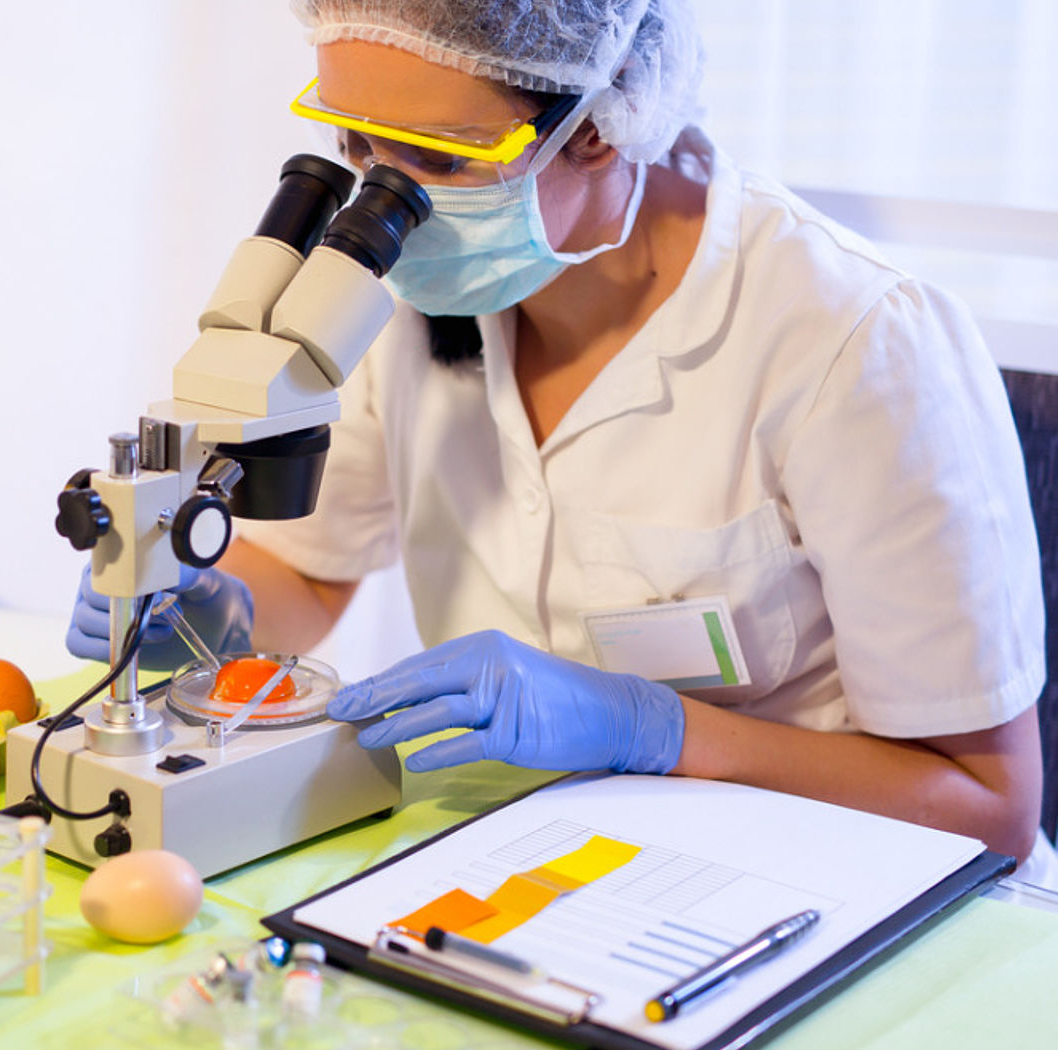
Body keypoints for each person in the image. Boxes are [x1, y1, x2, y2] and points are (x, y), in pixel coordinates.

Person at [68, 0, 1053, 880]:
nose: (387, 205)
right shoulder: (413, 301)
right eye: (360, 151)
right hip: (528, 867)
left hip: (829, 889)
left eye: (439, 160)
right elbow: (313, 577)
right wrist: (209, 608)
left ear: (598, 127)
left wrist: (654, 730)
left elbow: (987, 807)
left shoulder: (852, 340)